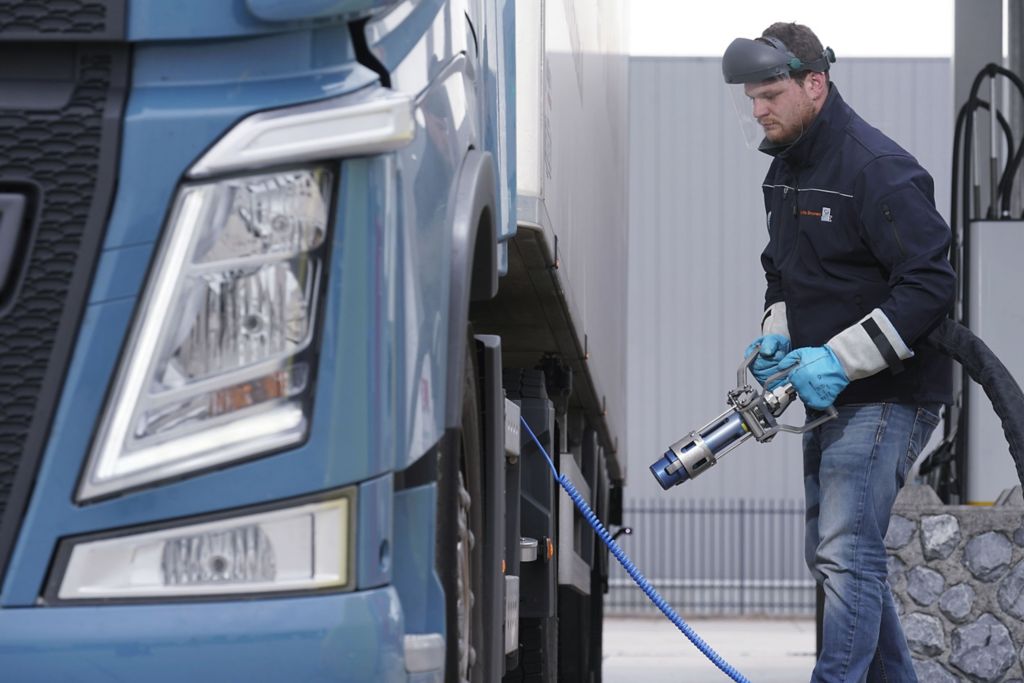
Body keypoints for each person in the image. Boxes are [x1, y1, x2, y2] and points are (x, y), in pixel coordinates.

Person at [722, 23, 956, 682]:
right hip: (828, 395)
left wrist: (837, 358)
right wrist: (779, 334)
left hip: (892, 392)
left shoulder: (875, 169)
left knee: (846, 549)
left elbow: (932, 284)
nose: (758, 109)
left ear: (814, 84)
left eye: (770, 94)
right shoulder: (783, 174)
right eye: (753, 97)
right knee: (830, 552)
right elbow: (782, 271)